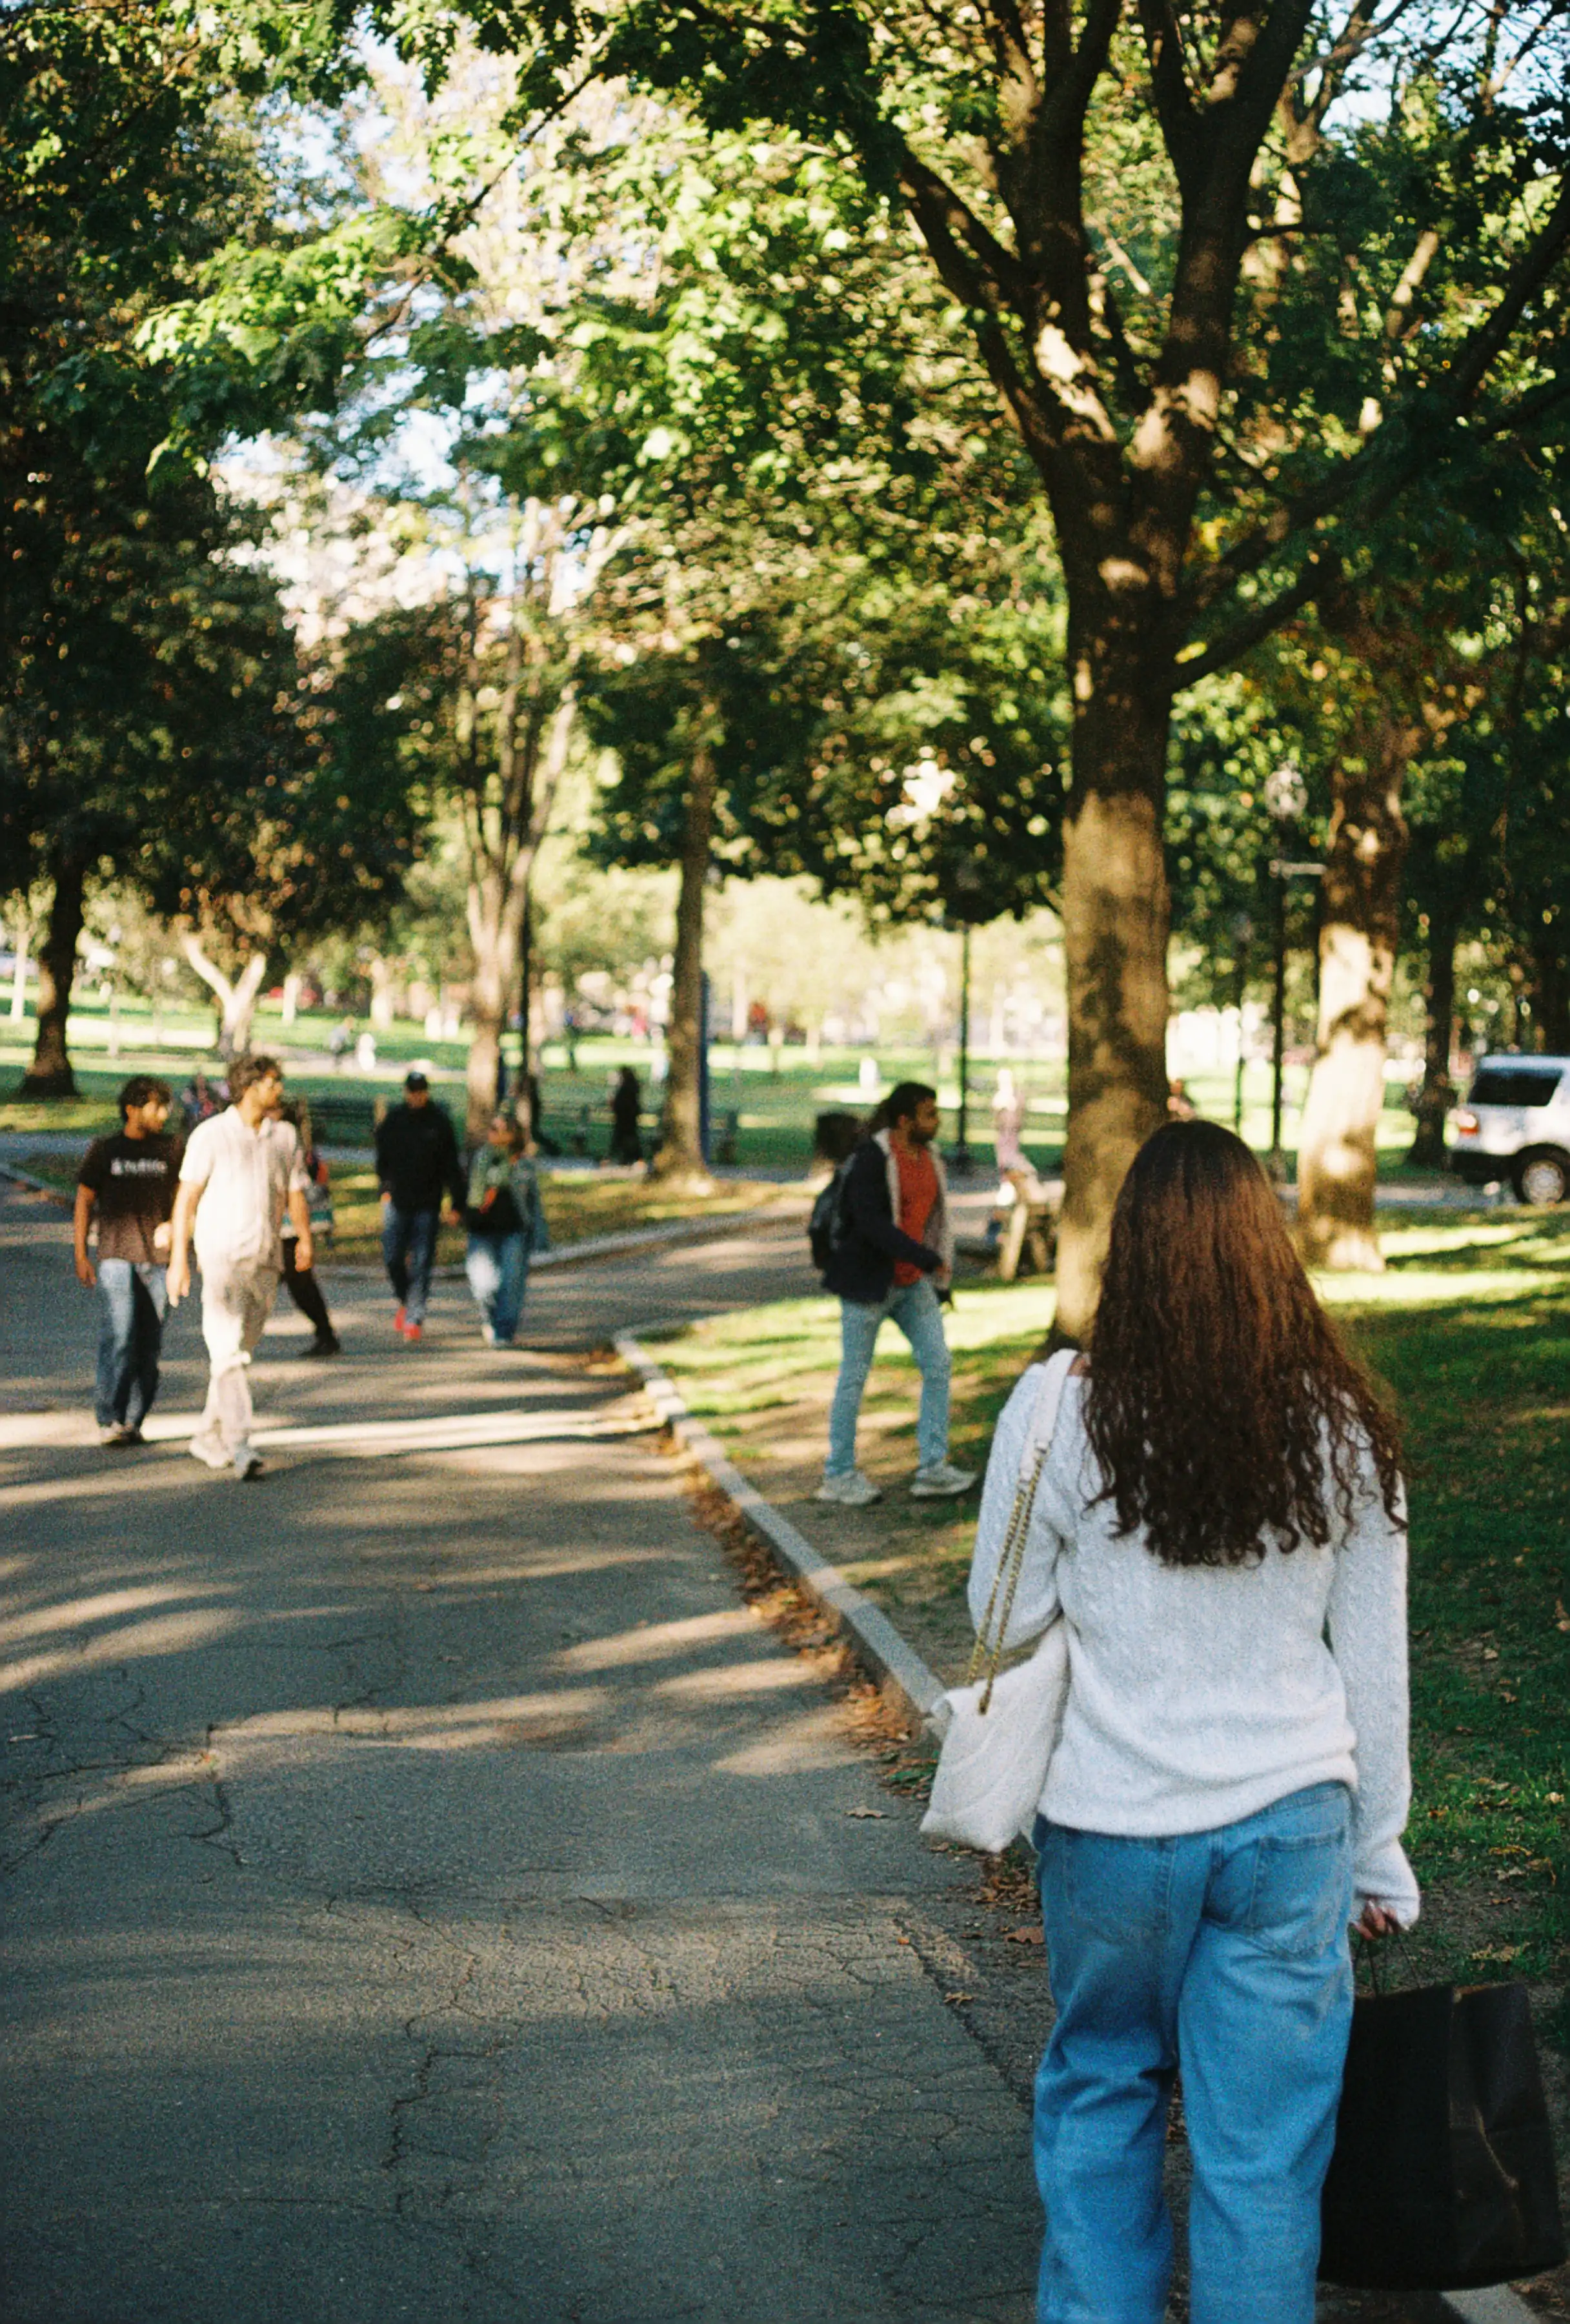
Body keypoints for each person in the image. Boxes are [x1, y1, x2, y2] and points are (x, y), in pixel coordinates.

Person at [968, 1119, 1414, 2324]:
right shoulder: (1340, 1425)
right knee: (1262, 2152)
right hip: (1290, 1827)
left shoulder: (1058, 1407)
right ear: (1263, 1242)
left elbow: (998, 1615)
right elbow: (1374, 1667)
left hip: (1111, 1825)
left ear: (1132, 1248)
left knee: (1104, 2088)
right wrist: (1380, 1849)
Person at [815, 1080, 976, 1506]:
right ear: (904, 1120)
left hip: (911, 1285)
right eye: (929, 1113)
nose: (936, 1120)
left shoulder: (930, 1158)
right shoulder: (873, 1157)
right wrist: (920, 1255)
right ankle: (838, 1474)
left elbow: (936, 1219)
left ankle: (932, 1468)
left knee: (938, 1363)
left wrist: (933, 1271)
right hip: (867, 1284)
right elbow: (870, 1223)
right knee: (854, 1376)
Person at [166, 1053, 312, 1480]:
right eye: (271, 1081)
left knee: (236, 1353)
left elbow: (295, 1191)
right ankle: (241, 1442)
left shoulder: (283, 1135)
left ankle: (206, 1434)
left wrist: (303, 1238)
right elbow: (186, 1199)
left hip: (265, 1259)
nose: (278, 1088)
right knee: (227, 1351)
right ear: (247, 1087)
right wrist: (179, 1258)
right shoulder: (210, 1135)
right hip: (221, 1259)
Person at [74, 1075, 180, 1445]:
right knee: (119, 1336)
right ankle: (110, 1418)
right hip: (116, 1257)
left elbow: (188, 1200)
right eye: (155, 1106)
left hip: (159, 1261)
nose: (164, 1114)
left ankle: (135, 1420)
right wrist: (81, 1254)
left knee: (149, 1347)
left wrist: (177, 1228)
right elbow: (84, 1200)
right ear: (132, 1109)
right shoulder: (106, 1150)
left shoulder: (171, 1150)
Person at [373, 1069, 463, 1344]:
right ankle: (406, 1300)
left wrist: (456, 1202)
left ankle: (415, 1316)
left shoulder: (439, 1123)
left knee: (423, 1261)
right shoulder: (395, 1120)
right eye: (412, 1091)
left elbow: (452, 1167)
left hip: (428, 1201)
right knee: (393, 1256)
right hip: (398, 1199)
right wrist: (385, 1188)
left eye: (421, 1091)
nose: (416, 1096)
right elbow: (382, 1158)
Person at [463, 1112, 547, 1347]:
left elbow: (534, 1202)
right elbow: (466, 1194)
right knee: (483, 1284)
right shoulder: (479, 1159)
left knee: (512, 1281)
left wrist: (540, 1234)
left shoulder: (522, 1163)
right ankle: (491, 1319)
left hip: (514, 1230)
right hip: (482, 1230)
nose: (495, 1133)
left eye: (501, 1129)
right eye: (492, 1128)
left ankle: (504, 1331)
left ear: (513, 1135)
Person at [278, 1099, 340, 1358]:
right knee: (297, 1282)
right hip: (278, 1224)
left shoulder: (286, 1142)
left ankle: (326, 1333)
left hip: (289, 1225)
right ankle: (325, 1332)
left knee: (300, 1282)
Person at [608, 1066, 643, 1165]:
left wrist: (614, 1104)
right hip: (629, 1117)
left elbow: (622, 1103)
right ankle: (629, 1157)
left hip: (625, 1118)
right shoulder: (632, 1086)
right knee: (629, 1137)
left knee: (624, 1138)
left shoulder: (626, 1088)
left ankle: (625, 1157)